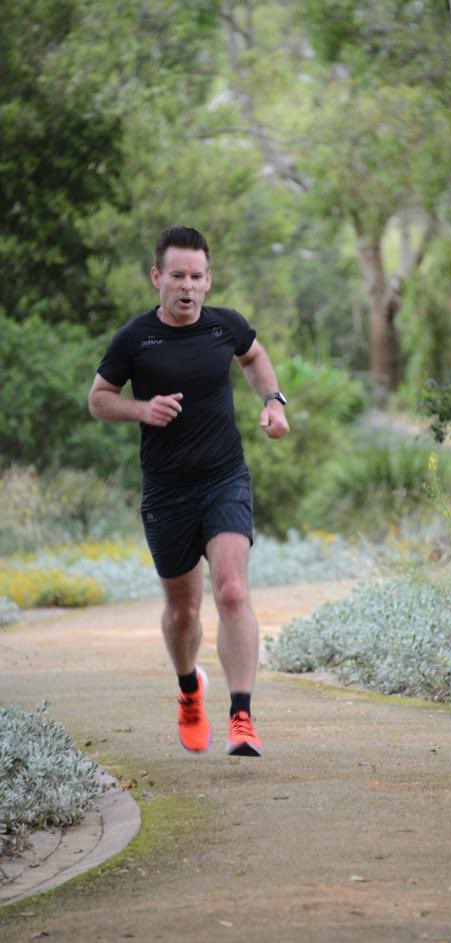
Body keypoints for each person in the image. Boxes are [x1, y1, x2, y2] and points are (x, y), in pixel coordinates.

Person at [88, 225, 289, 757]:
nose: (187, 286)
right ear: (158, 277)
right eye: (177, 275)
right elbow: (99, 399)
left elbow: (255, 356)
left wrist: (272, 401)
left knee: (231, 591)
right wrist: (140, 409)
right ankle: (188, 688)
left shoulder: (226, 327)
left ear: (208, 280)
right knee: (183, 611)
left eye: (197, 276)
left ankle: (242, 716)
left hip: (224, 477)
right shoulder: (135, 339)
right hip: (167, 490)